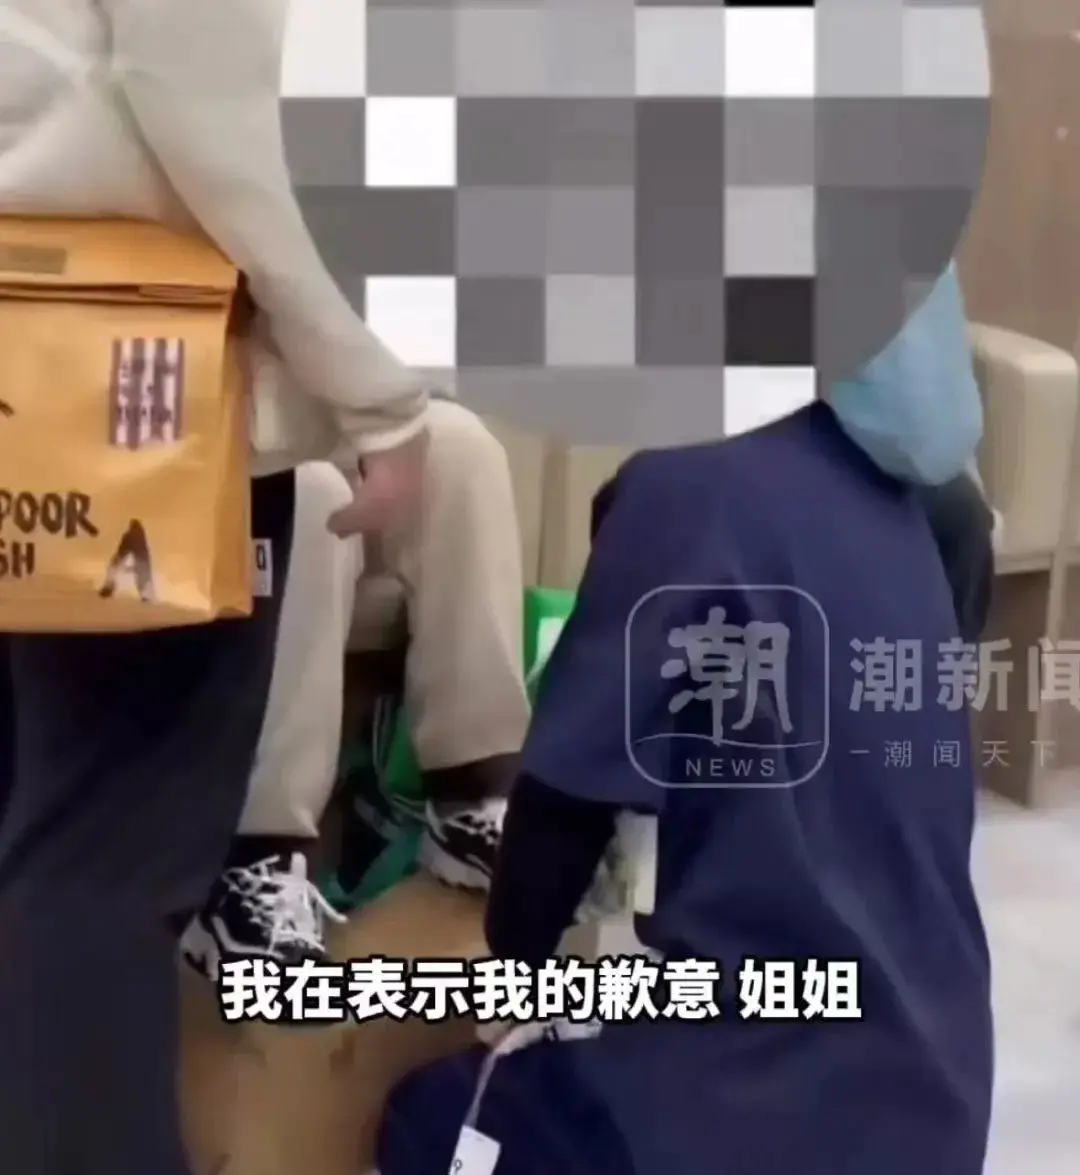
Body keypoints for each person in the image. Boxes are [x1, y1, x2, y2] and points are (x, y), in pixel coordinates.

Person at [374, 266, 995, 1175]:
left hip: (756, 1114)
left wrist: (515, 973)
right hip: (937, 1106)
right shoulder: (919, 520)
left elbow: (556, 822)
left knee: (431, 1121)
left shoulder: (687, 488)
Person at [0, 2, 469, 1172]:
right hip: (133, 403)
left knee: (48, 840)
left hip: (39, 361)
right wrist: (380, 393)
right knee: (105, 865)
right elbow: (231, 120)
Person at [180, 399, 529, 977]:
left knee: (459, 445)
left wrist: (380, 413)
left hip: (290, 405)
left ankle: (472, 798)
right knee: (311, 488)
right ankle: (256, 861)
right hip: (170, 455)